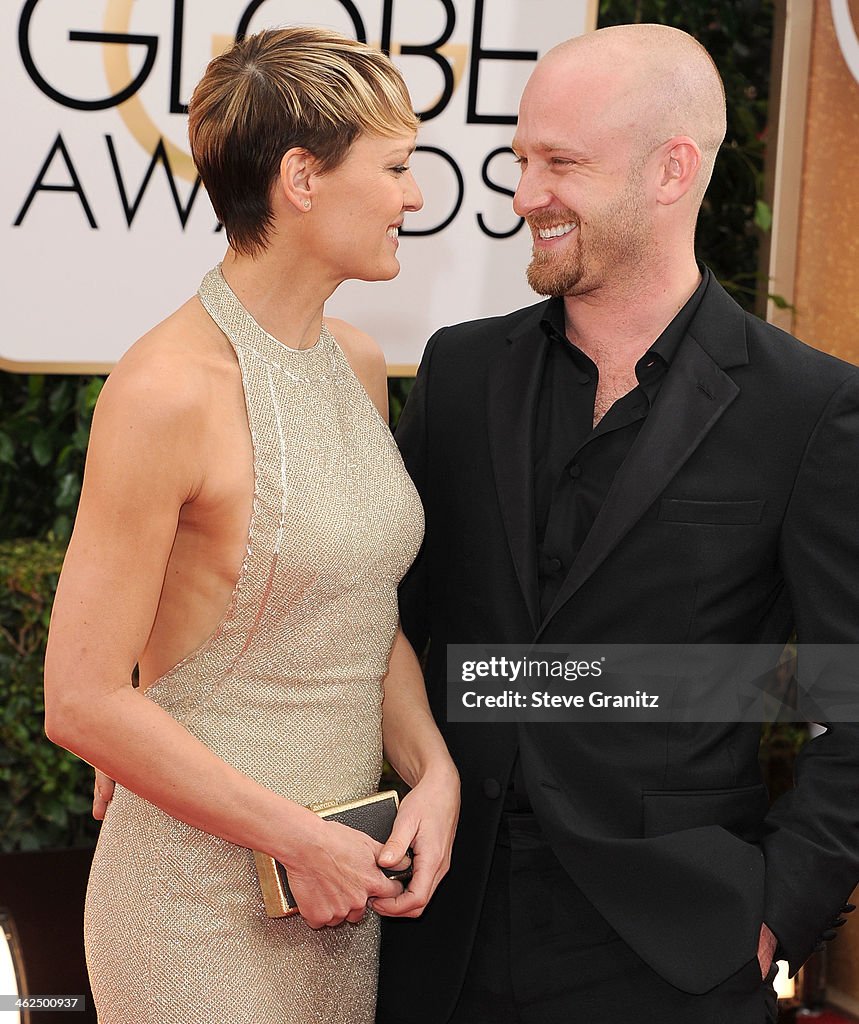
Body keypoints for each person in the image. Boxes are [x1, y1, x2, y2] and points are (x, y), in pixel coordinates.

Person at [377, 23, 859, 1024]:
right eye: (520, 159)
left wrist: (779, 910)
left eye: (560, 161)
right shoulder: (461, 374)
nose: (523, 194)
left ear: (670, 170)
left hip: (670, 954)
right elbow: (382, 626)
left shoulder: (805, 409)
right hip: (436, 928)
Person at [43, 27, 459, 1024]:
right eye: (396, 167)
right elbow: (82, 701)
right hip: (194, 901)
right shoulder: (166, 391)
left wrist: (432, 771)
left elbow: (356, 611)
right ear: (302, 178)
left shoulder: (354, 362)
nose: (413, 197)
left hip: (335, 887)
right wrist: (293, 834)